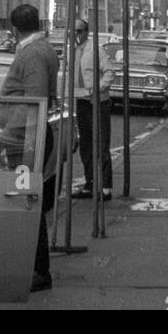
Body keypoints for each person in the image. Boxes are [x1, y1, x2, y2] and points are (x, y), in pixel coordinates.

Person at [0, 3, 59, 293]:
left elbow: (35, 102)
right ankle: (30, 265)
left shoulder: (33, 53)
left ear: (15, 28)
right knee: (25, 200)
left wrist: (24, 141)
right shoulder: (40, 48)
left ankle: (38, 270)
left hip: (25, 137)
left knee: (26, 201)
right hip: (26, 134)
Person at [71, 18, 114, 202]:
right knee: (86, 145)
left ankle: (105, 187)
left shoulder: (96, 50)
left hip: (98, 102)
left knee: (101, 144)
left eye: (79, 31)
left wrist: (95, 89)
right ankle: (90, 184)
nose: (76, 35)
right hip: (81, 102)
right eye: (73, 32)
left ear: (86, 32)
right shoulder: (71, 51)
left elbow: (109, 73)